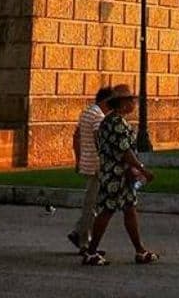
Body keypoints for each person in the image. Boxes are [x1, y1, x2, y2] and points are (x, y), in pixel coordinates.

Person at [82, 84, 159, 266]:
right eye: (131, 100)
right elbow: (125, 151)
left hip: (118, 174)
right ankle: (91, 252)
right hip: (116, 175)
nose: (134, 104)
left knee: (129, 210)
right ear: (123, 103)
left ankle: (139, 250)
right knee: (107, 212)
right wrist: (142, 169)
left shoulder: (110, 121)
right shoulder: (117, 123)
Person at [67, 85, 113, 252]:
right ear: (107, 101)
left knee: (91, 202)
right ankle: (84, 241)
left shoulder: (87, 112)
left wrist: (78, 159)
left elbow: (76, 136)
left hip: (87, 162)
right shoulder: (99, 117)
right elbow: (99, 140)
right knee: (93, 204)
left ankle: (79, 234)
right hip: (97, 165)